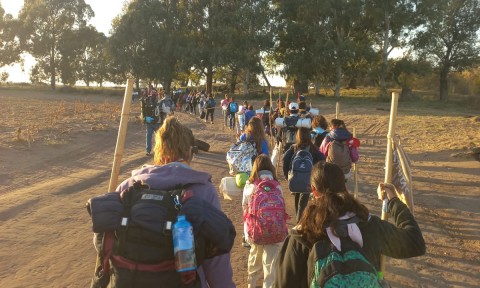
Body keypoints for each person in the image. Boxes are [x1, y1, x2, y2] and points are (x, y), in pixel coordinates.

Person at [115, 117, 236, 288]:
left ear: (159, 150)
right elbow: (216, 256)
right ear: (189, 151)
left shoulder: (128, 188)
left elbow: (109, 241)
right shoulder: (202, 190)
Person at [274, 162, 426, 288]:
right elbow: (415, 243)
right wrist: (393, 200)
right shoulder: (368, 224)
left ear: (313, 190)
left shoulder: (303, 234)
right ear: (344, 186)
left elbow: (283, 283)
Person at [242, 155, 285, 288]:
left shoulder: (250, 185)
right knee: (271, 264)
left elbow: (244, 206)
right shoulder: (277, 186)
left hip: (255, 230)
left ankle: (252, 284)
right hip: (275, 232)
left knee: (255, 257)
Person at [283, 127, 324, 222]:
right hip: (308, 180)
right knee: (303, 200)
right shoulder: (314, 149)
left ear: (298, 136)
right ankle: (299, 222)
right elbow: (322, 160)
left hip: (295, 178)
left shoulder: (293, 148)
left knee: (298, 196)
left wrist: (287, 176)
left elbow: (285, 160)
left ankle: (298, 220)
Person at [141, 88, 160, 156]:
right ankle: (157, 150)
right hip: (156, 122)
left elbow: (143, 110)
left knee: (149, 136)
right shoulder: (159, 101)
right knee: (158, 137)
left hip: (149, 121)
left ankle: (148, 150)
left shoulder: (146, 100)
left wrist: (145, 119)